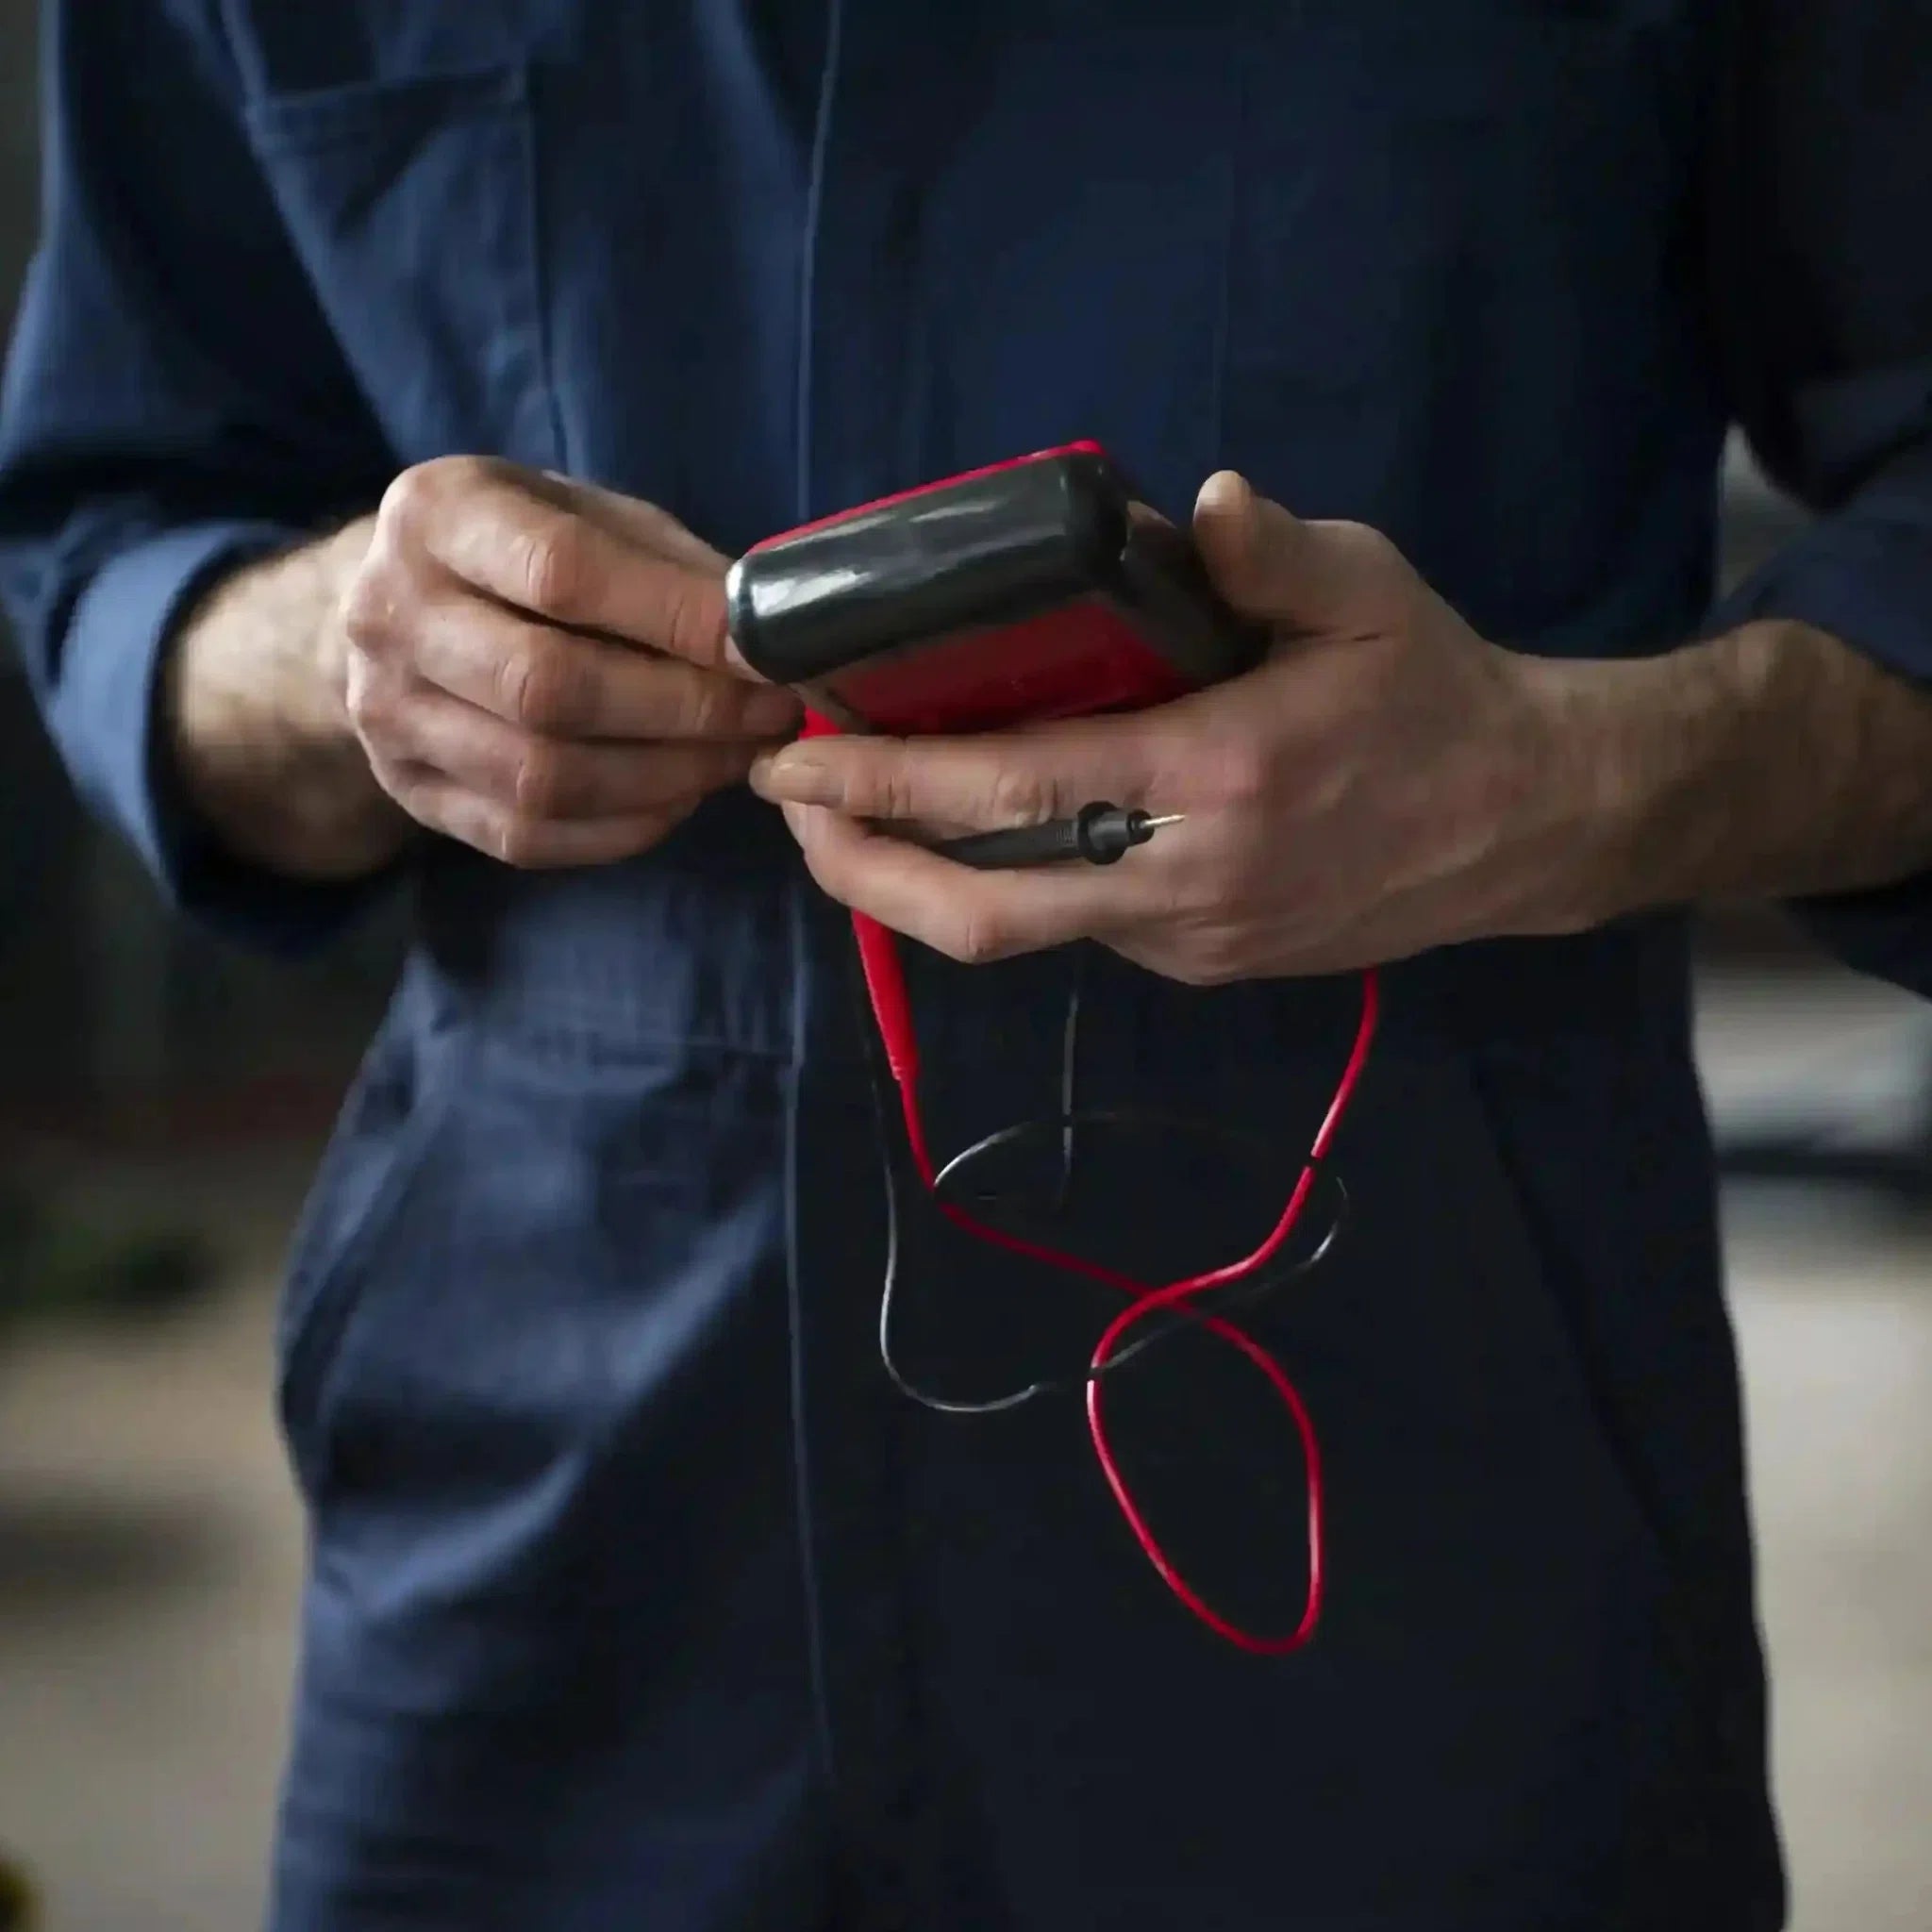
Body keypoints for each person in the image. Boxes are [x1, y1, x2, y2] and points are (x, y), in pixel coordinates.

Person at [2, 3, 1929, 1926]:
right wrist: (347, 646)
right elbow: (112, 537)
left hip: (1419, 1494)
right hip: (545, 1546)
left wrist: (1561, 782)